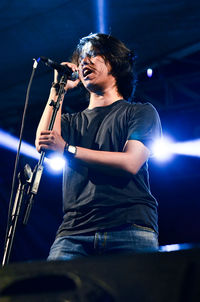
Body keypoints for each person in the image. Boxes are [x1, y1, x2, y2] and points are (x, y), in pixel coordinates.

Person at [35, 33, 162, 261]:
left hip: (129, 227)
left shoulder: (139, 112)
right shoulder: (70, 122)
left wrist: (68, 150)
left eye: (93, 55)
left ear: (115, 61)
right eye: (82, 58)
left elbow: (130, 162)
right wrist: (59, 88)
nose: (85, 61)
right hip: (74, 232)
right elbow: (44, 142)